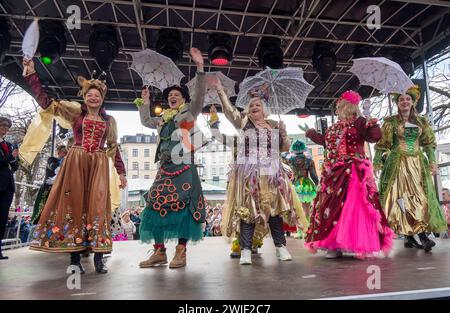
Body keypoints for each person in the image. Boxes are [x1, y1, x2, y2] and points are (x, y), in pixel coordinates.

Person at [23, 58, 127, 274]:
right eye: (90, 94)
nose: (93, 97)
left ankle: (99, 257)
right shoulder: (75, 113)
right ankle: (74, 258)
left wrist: (121, 172)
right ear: (85, 96)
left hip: (98, 164)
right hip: (76, 161)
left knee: (99, 206)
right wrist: (32, 75)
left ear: (102, 98)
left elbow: (114, 148)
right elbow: (47, 103)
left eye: (97, 95)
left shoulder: (109, 121)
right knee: (74, 206)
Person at [210, 78, 307, 265]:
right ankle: (246, 250)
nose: (254, 107)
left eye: (258, 104)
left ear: (264, 109)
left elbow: (284, 148)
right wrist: (220, 91)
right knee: (248, 211)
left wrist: (284, 133)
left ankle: (280, 247)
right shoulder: (244, 122)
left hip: (272, 173)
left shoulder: (273, 125)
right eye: (251, 105)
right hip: (249, 174)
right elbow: (230, 113)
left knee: (275, 210)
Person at [302, 90, 394, 259]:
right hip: (335, 171)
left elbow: (374, 137)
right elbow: (325, 142)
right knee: (332, 206)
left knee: (355, 206)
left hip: (353, 170)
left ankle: (353, 242)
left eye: (339, 105)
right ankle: (334, 243)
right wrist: (311, 134)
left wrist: (370, 122)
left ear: (346, 106)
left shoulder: (359, 122)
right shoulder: (335, 127)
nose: (336, 108)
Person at [137, 48, 207, 269]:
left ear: (184, 99)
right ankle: (159, 252)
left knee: (184, 208)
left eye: (176, 95)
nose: (172, 97)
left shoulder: (188, 113)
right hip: (165, 167)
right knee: (154, 205)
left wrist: (200, 67)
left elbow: (199, 96)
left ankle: (181, 252)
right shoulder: (164, 118)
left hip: (184, 167)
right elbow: (146, 121)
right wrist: (145, 101)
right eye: (169, 96)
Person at [374, 85, 447, 252]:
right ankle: (411, 236)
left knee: (420, 199)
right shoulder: (390, 122)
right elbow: (382, 145)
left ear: (413, 101)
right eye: (401, 99)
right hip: (397, 165)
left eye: (408, 99)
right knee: (401, 200)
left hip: (417, 165)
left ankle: (420, 234)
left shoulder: (421, 122)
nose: (404, 101)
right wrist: (378, 161)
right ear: (397, 103)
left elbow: (428, 144)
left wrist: (433, 162)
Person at [31, 144, 68, 224]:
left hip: (58, 188)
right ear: (58, 152)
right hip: (48, 187)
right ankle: (38, 224)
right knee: (42, 207)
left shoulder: (67, 163)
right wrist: (62, 162)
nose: (65, 154)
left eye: (66, 153)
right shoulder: (52, 159)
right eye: (63, 152)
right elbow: (53, 167)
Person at [0, 116, 19, 260]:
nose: (5, 129)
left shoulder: (8, 144)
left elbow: (15, 166)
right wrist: (9, 156)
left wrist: (14, 158)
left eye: (7, 126)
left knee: (3, 217)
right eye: (2, 125)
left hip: (8, 185)